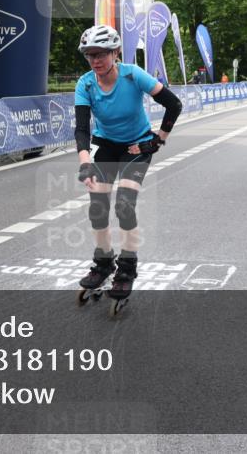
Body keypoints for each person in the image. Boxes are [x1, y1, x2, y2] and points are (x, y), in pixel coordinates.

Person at [74, 25, 182, 308]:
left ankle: (128, 266)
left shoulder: (133, 75)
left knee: (124, 204)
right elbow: (82, 129)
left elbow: (174, 104)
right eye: (89, 55)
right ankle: (103, 261)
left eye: (101, 54)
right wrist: (85, 162)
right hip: (106, 144)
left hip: (137, 144)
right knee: (98, 206)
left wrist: (157, 141)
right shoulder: (85, 84)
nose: (95, 61)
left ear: (115, 52)